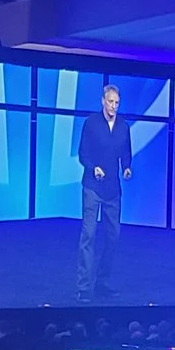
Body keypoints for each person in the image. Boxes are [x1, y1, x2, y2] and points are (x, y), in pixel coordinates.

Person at [76, 84, 133, 304]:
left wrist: (126, 167)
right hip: (92, 186)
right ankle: (83, 287)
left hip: (112, 190)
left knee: (113, 236)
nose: (113, 106)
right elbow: (83, 153)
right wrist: (93, 168)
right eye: (110, 102)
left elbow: (126, 152)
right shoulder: (91, 123)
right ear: (103, 101)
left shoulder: (123, 127)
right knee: (88, 235)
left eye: (117, 103)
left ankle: (102, 283)